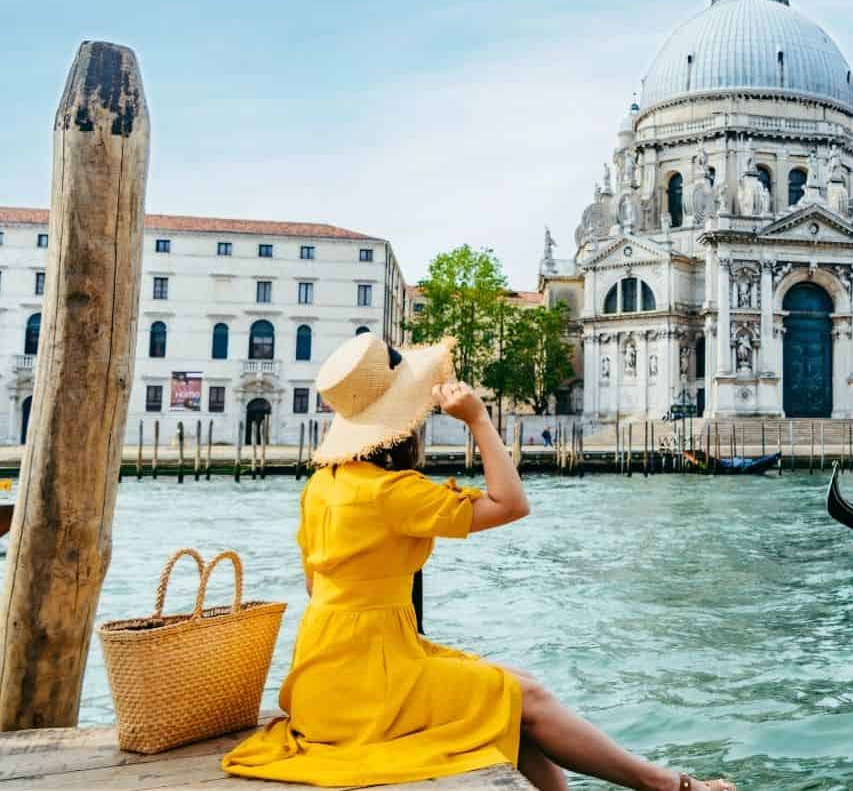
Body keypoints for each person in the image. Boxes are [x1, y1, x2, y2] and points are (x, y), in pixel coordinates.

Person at [221, 333, 734, 791]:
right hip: (367, 685)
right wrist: (479, 420)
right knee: (526, 697)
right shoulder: (393, 492)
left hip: (322, 673)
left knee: (511, 696)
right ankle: (664, 785)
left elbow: (316, 585)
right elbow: (512, 503)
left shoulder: (322, 486)